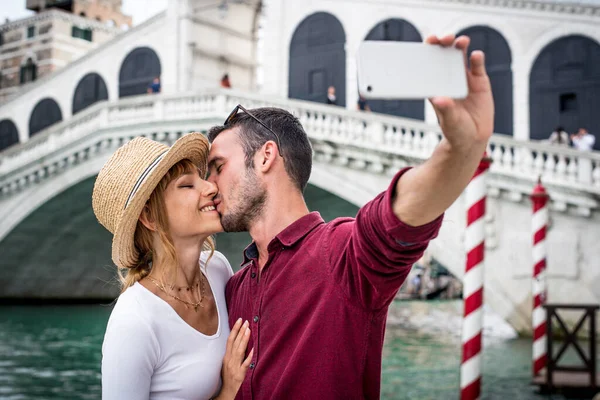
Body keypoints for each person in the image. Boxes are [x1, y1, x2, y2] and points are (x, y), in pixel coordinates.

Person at [206, 33, 494, 399]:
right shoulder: (234, 287)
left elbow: (399, 216)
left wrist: (461, 149)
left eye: (217, 167)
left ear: (265, 157)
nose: (209, 186)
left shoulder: (342, 256)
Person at [92, 133, 252, 399]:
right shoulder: (134, 322)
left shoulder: (218, 270)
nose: (211, 188)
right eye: (188, 186)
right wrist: (228, 392)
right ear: (150, 216)